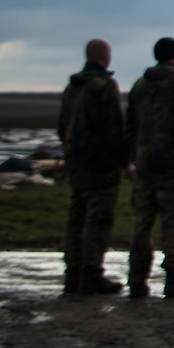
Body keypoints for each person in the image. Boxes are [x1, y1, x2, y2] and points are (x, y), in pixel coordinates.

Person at [124, 37, 174, 299]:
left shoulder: (140, 85)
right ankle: (172, 276)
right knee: (172, 221)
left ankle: (136, 279)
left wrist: (129, 159)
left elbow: (130, 126)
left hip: (146, 165)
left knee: (142, 223)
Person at [59, 39, 127, 296]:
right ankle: (92, 274)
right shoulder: (104, 86)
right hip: (100, 164)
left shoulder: (72, 87)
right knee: (98, 219)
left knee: (76, 217)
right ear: (104, 56)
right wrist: (123, 161)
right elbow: (114, 128)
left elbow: (61, 125)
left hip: (76, 161)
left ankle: (73, 273)